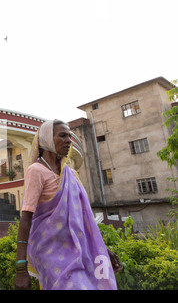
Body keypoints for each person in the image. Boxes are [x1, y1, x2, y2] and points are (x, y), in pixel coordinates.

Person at [15, 119, 122, 290]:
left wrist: (103, 250)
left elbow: (84, 218)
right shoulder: (36, 171)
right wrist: (21, 269)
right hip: (50, 253)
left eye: (70, 136)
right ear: (47, 140)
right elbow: (26, 218)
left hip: (80, 250)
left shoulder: (70, 174)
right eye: (62, 136)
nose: (68, 140)